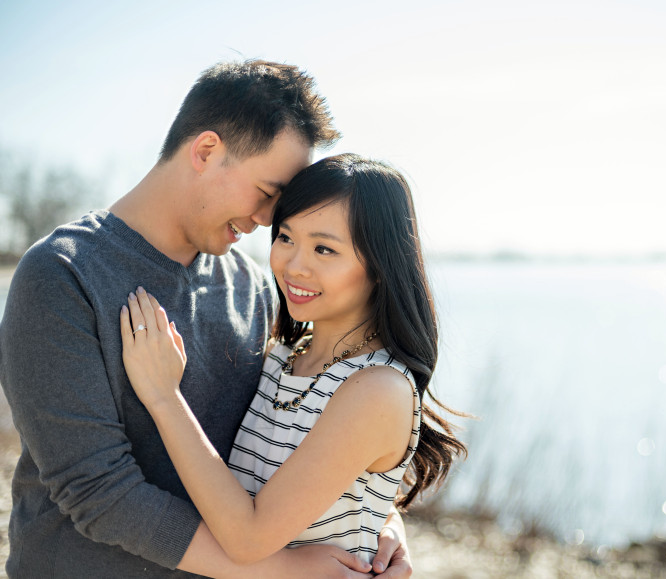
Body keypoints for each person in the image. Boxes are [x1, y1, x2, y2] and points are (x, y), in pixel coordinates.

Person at [0, 61, 412, 577]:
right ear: (206, 151)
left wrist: (377, 523)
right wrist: (280, 569)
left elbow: (291, 443)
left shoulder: (256, 288)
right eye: (266, 193)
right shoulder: (62, 275)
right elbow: (98, 492)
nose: (268, 221)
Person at [120, 154, 467, 567]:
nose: (293, 266)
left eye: (324, 248)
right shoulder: (283, 354)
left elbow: (248, 538)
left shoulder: (377, 388)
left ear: (379, 265)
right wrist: (385, 521)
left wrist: (163, 397)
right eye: (285, 238)